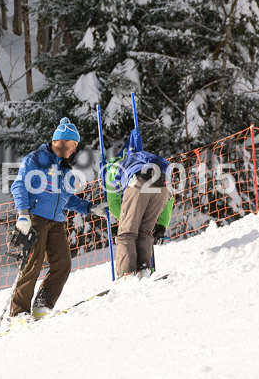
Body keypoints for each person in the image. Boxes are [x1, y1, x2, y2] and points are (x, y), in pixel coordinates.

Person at [10, 117, 106, 322]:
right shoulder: (35, 160)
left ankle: (42, 306)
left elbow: (65, 198)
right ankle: (18, 313)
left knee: (62, 264)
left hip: (56, 222)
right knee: (32, 265)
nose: (73, 150)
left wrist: (89, 207)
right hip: (35, 219)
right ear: (61, 141)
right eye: (72, 145)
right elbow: (19, 186)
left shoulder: (63, 168)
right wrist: (23, 214)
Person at [98, 130, 175, 279]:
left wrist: (126, 220)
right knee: (145, 231)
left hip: (138, 184)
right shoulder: (144, 159)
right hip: (163, 186)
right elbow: (170, 198)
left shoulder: (113, 166)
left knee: (127, 232)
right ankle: (144, 269)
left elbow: (114, 202)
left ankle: (127, 273)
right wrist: (161, 225)